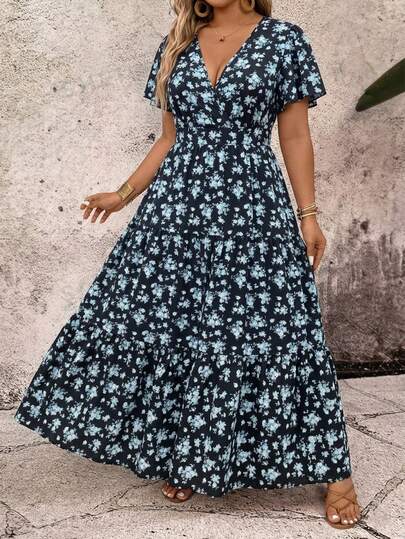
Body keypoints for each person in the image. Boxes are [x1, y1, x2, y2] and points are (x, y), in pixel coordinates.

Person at [14, 0, 362, 530]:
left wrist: (308, 214)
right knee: (175, 328)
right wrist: (123, 194)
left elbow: (294, 136)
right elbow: (170, 139)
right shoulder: (178, 43)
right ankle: (188, 455)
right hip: (176, 213)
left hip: (251, 210)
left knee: (279, 331)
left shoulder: (284, 41)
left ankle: (337, 474)